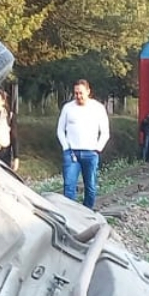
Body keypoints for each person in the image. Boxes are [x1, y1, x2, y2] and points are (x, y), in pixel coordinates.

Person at [55, 79, 109, 209]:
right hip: (72, 153)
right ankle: (71, 213)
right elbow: (60, 130)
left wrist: (97, 149)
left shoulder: (98, 108)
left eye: (81, 93)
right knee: (69, 185)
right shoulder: (68, 108)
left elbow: (105, 132)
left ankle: (87, 211)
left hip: (90, 153)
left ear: (88, 92)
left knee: (90, 186)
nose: (78, 96)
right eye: (76, 93)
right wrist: (66, 148)